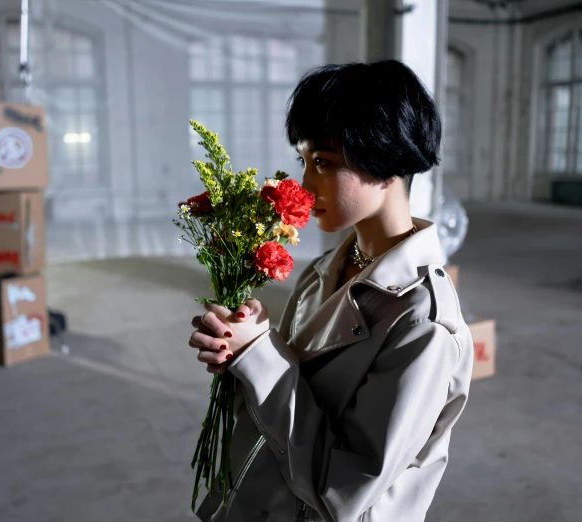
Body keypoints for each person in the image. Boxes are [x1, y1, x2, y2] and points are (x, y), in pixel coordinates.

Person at [188, 60, 474, 522]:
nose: (303, 184)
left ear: (389, 163)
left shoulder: (423, 321)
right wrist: (240, 352)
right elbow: (292, 396)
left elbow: (342, 490)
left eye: (323, 162)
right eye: (303, 161)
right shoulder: (325, 269)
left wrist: (262, 357)